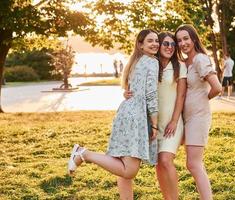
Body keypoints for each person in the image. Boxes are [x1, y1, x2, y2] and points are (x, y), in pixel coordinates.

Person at [67, 29, 160, 199]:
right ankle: (84, 154)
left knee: (121, 166)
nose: (155, 44)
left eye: (156, 40)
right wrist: (154, 123)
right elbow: (151, 94)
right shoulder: (152, 62)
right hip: (135, 117)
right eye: (150, 41)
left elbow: (130, 89)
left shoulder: (136, 61)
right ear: (140, 44)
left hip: (125, 112)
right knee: (129, 171)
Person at [124, 32, 187, 200]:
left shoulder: (180, 66)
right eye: (166, 43)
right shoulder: (151, 64)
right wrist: (127, 93)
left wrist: (174, 121)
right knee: (158, 163)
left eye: (173, 44)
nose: (170, 47)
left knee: (166, 160)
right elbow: (137, 87)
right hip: (152, 122)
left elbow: (181, 96)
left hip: (171, 122)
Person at [175, 24, 222, 200]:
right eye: (179, 40)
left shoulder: (200, 59)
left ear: (194, 39)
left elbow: (217, 88)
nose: (182, 43)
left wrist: (202, 100)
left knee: (193, 164)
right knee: (194, 164)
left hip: (198, 117)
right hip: (185, 118)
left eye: (186, 38)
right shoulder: (185, 62)